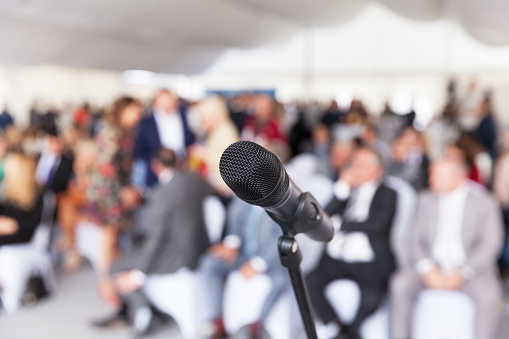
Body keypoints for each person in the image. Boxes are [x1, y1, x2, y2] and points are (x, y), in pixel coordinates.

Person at [92, 147, 213, 337]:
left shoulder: (161, 194)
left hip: (175, 257)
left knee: (115, 268)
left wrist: (138, 275)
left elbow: (156, 240)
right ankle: (146, 310)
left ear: (156, 166)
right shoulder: (195, 180)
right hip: (199, 249)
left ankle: (144, 313)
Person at [390, 158, 503, 339]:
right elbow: (415, 239)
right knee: (400, 284)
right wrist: (427, 269)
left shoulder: (485, 203)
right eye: (432, 175)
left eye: (438, 176)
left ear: (460, 177)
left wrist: (462, 272)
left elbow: (490, 244)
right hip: (429, 267)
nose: (431, 180)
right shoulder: (424, 199)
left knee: (488, 294)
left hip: (471, 271)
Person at [306, 148, 397, 339]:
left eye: (361, 165)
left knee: (371, 298)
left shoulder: (388, 193)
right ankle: (336, 325)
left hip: (369, 259)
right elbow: (322, 217)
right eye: (353, 164)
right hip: (337, 257)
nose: (355, 169)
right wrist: (342, 188)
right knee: (309, 281)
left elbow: (377, 225)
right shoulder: (346, 192)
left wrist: (340, 224)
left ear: (377, 170)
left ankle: (350, 333)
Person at [199, 198, 288, 339]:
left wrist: (258, 264)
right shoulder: (243, 198)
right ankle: (219, 320)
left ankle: (257, 326)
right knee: (209, 263)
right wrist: (232, 243)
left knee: (281, 280)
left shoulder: (280, 206)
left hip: (271, 259)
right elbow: (234, 218)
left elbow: (281, 238)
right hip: (243, 254)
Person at [83, 96, 142, 304]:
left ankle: (114, 278)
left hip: (115, 189)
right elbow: (105, 166)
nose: (137, 116)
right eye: (134, 112)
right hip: (107, 192)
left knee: (114, 237)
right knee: (108, 237)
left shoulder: (127, 132)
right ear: (122, 110)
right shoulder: (111, 131)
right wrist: (123, 190)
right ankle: (106, 284)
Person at [0, 153, 44, 312]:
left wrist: (12, 225)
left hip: (23, 237)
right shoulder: (9, 192)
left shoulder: (36, 194)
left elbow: (31, 223)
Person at [133, 89, 194, 189]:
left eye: (169, 100)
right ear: (156, 102)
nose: (168, 103)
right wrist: (156, 163)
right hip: (157, 171)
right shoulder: (146, 122)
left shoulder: (183, 115)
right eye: (164, 100)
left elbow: (189, 138)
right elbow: (140, 150)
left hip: (181, 166)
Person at [190, 96, 239, 195]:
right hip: (219, 185)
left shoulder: (225, 132)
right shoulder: (217, 130)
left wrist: (204, 154)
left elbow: (229, 163)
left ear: (214, 116)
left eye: (204, 118)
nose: (202, 122)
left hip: (226, 189)